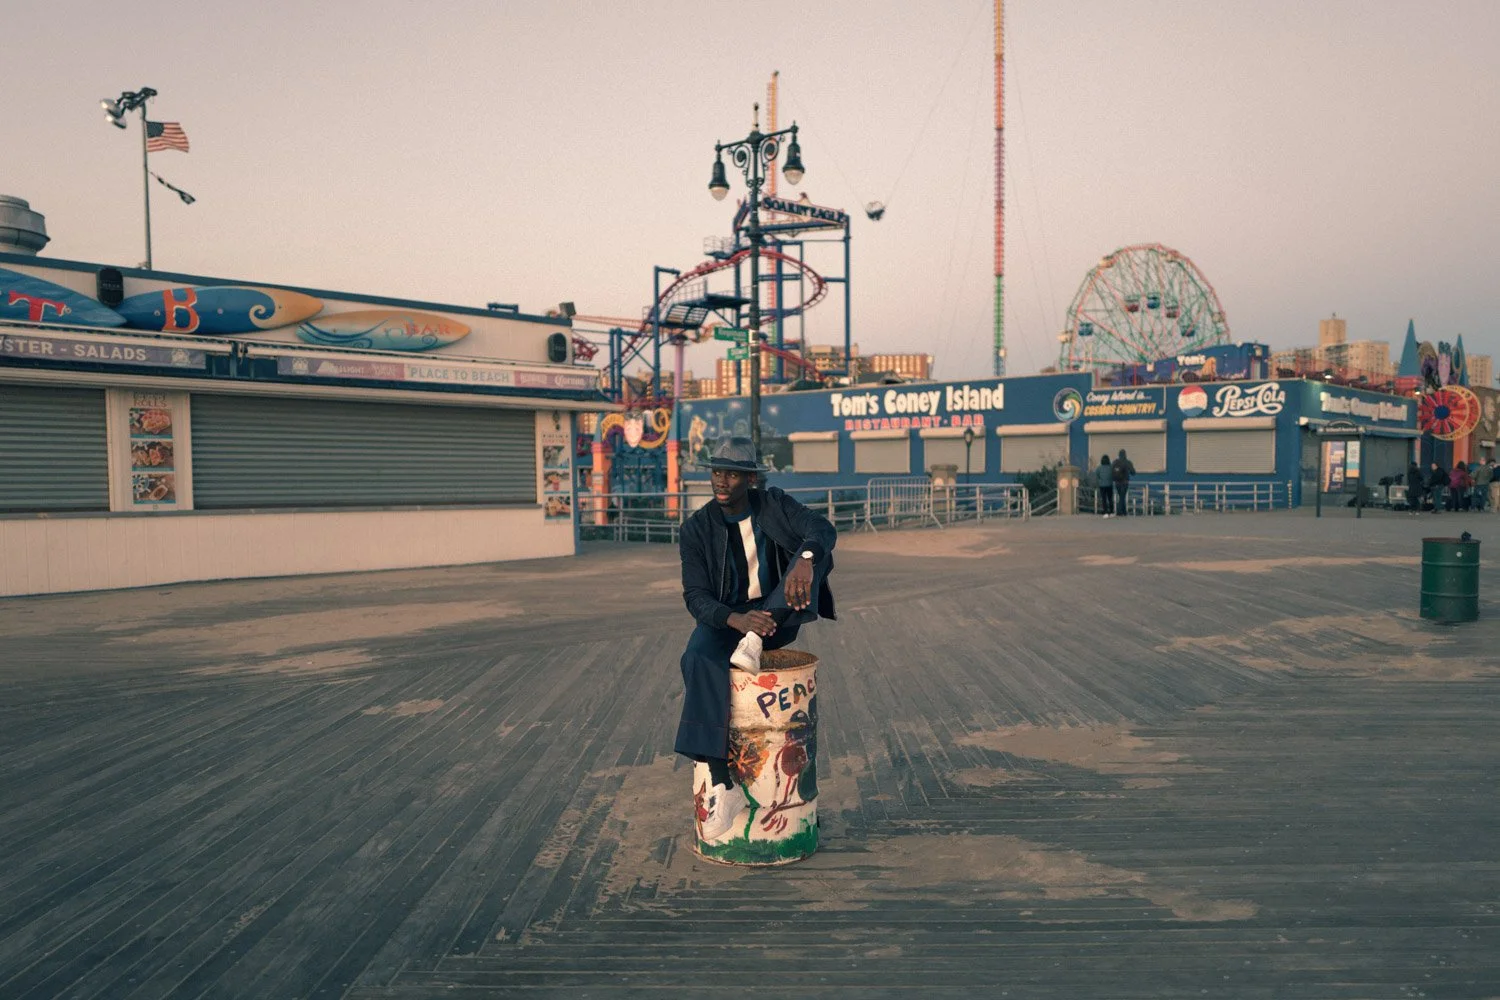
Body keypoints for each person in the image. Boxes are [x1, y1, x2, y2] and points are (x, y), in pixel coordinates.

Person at [676, 438, 836, 843]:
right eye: (716, 472)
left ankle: (754, 639)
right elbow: (696, 597)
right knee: (696, 657)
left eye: (731, 473)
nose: (721, 481)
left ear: (750, 478)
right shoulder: (695, 529)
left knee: (816, 553)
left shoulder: (774, 504)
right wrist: (736, 619)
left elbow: (821, 528)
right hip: (729, 620)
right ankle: (720, 784)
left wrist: (805, 559)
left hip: (779, 611)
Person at [1111, 449, 1136, 516]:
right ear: (1125, 454)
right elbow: (1133, 472)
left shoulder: (1115, 462)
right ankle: (1119, 512)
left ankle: (1124, 512)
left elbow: (1112, 471)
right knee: (1122, 497)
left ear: (1119, 455)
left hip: (1117, 483)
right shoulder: (1127, 462)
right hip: (1124, 483)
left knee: (1122, 496)